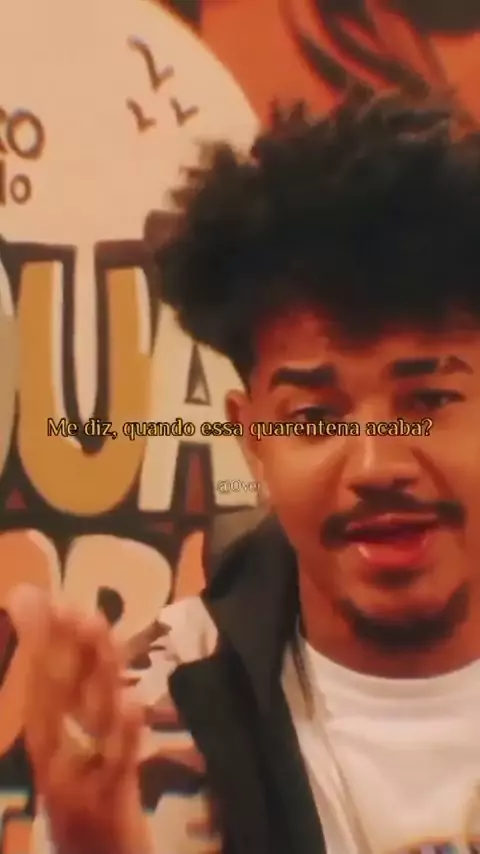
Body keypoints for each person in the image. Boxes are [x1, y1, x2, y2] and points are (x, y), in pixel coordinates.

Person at [23, 91, 480, 854]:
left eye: (429, 400)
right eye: (315, 419)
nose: (376, 465)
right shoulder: (157, 711)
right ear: (252, 439)